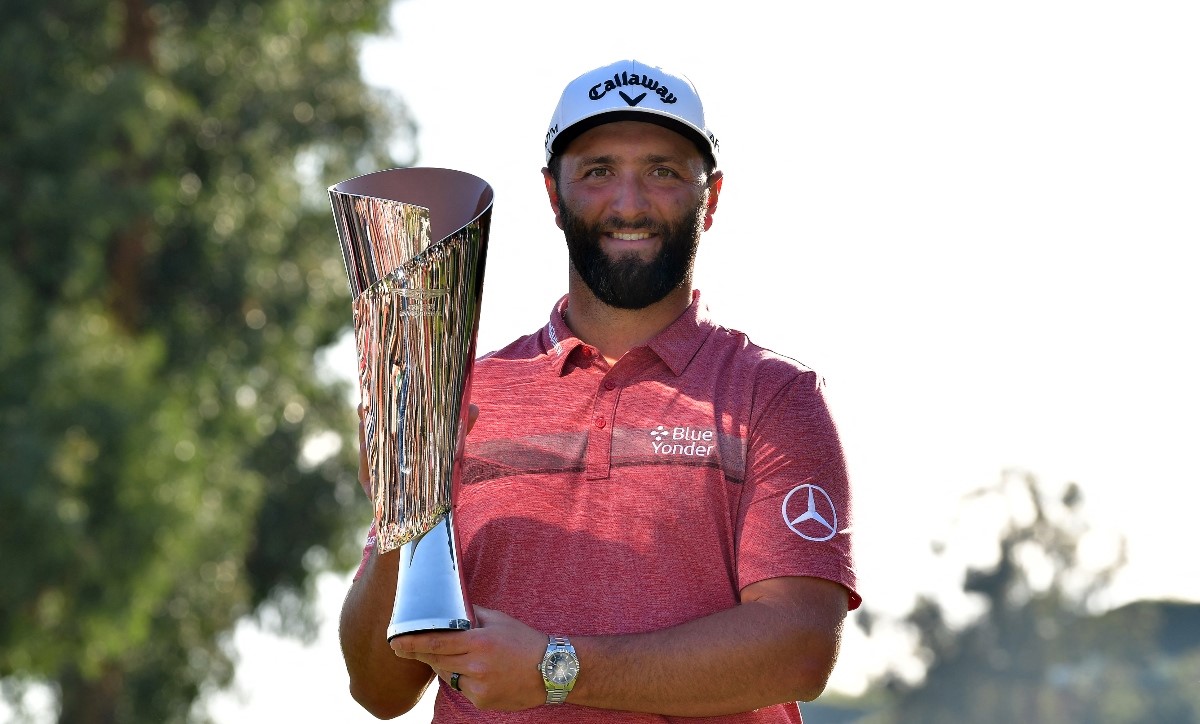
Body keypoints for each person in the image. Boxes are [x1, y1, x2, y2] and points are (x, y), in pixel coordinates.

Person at [338, 58, 860, 723]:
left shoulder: (772, 398)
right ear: (554, 196)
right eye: (598, 171)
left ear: (713, 196)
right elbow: (380, 690)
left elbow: (799, 649)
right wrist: (400, 518)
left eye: (664, 172)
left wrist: (556, 669)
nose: (630, 202)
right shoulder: (466, 399)